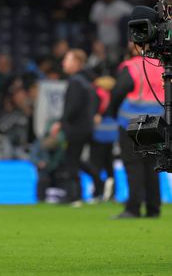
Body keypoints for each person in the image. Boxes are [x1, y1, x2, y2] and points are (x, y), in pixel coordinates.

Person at [105, 42, 163, 219]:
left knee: (134, 166)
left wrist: (112, 113)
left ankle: (133, 208)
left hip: (131, 120)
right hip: (156, 120)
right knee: (152, 165)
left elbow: (118, 91)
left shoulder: (132, 66)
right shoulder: (161, 66)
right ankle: (153, 208)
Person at [51, 49, 103, 205]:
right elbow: (97, 100)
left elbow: (72, 106)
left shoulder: (75, 81)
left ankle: (75, 195)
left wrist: (61, 122)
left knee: (71, 161)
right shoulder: (88, 81)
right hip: (86, 127)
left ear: (77, 63)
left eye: (67, 59)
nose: (63, 63)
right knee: (77, 160)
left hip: (75, 128)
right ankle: (99, 184)